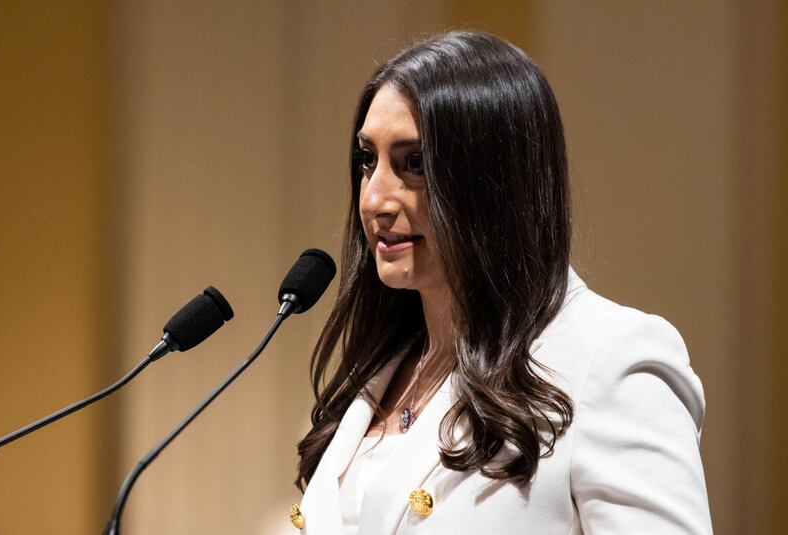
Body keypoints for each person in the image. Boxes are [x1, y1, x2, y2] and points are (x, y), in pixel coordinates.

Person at [290, 30, 712, 534]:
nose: (374, 199)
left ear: (494, 180)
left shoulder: (610, 360)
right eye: (367, 159)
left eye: (414, 164)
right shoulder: (383, 368)